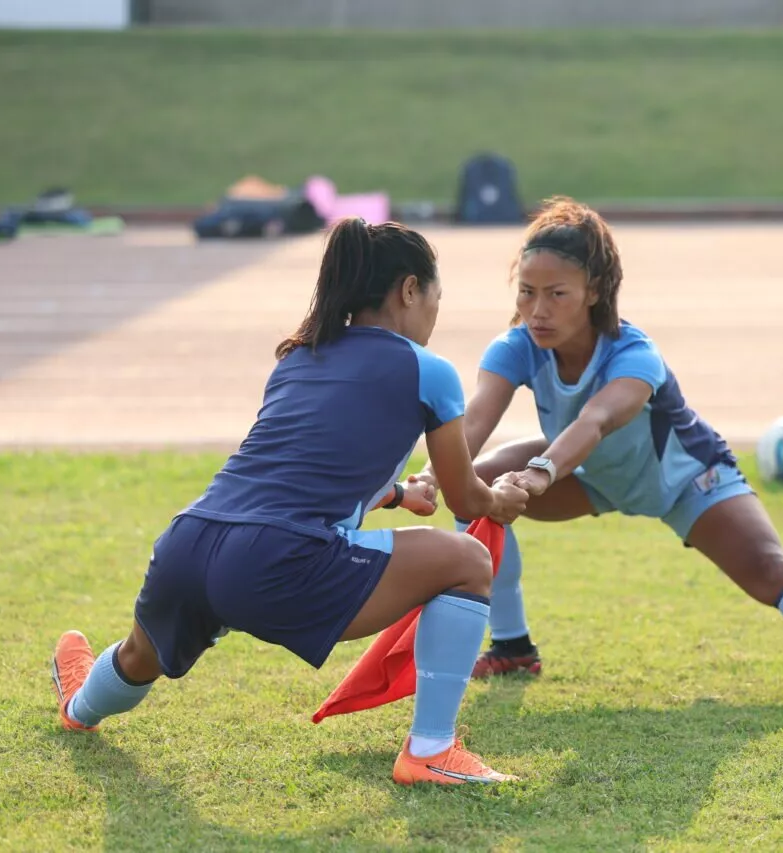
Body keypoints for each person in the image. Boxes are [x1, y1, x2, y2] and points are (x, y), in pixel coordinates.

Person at [49, 218, 532, 787]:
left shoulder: (299, 358)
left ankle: (80, 705)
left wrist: (398, 494)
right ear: (408, 290)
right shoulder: (427, 369)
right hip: (275, 559)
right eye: (435, 298)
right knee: (468, 561)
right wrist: (499, 497)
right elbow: (464, 494)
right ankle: (430, 750)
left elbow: (296, 472)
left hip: (191, 540)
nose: (434, 313)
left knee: (138, 659)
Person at [416, 196, 783, 705]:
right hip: (592, 474)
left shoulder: (635, 354)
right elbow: (478, 418)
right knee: (474, 488)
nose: (537, 310)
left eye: (556, 294)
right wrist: (430, 478)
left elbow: (596, 421)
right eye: (527, 292)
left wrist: (539, 473)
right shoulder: (516, 345)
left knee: (770, 570)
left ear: (593, 291)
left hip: (685, 480)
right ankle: (512, 646)